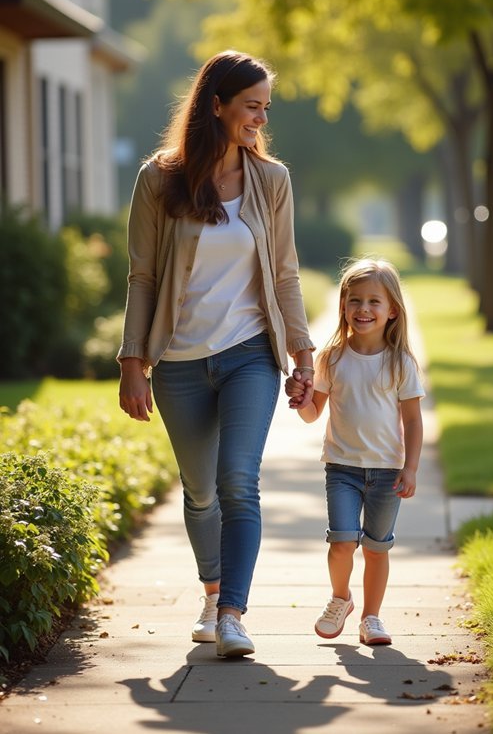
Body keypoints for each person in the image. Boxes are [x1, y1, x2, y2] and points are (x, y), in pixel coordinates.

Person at [117, 50, 315, 659]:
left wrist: (303, 356)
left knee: (238, 482)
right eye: (251, 105)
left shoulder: (271, 181)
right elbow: (143, 276)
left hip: (249, 354)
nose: (260, 117)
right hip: (177, 361)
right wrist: (133, 362)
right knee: (199, 490)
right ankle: (212, 594)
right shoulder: (159, 179)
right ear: (217, 105)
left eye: (265, 107)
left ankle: (233, 614)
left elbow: (284, 275)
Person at [285, 258, 424, 645]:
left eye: (374, 302)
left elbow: (413, 421)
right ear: (343, 305)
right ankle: (340, 598)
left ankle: (372, 617)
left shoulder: (401, 363)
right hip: (342, 468)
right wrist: (301, 400)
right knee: (342, 541)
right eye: (355, 301)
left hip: (386, 472)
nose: (363, 309)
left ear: (392, 309)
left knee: (377, 548)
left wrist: (410, 469)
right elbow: (314, 414)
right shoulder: (332, 358)